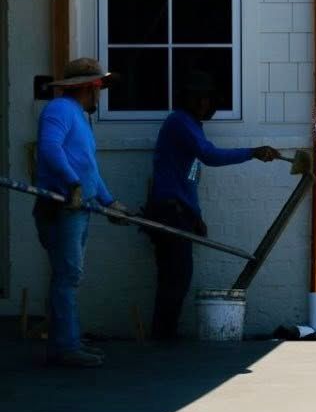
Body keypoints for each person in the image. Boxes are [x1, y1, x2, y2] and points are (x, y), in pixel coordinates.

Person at [146, 71, 280, 340]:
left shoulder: (192, 126)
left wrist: (196, 215)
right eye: (201, 98)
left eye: (208, 99)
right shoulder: (180, 123)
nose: (206, 104)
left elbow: (191, 176)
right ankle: (162, 338)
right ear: (190, 99)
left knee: (177, 275)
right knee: (176, 276)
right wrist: (252, 153)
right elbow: (209, 156)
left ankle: (163, 336)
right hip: (169, 211)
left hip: (178, 211)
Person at [34, 57, 128, 369]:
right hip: (62, 206)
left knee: (67, 276)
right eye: (99, 87)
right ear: (90, 88)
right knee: (67, 276)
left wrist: (108, 201)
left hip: (78, 206)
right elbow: (49, 149)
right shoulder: (59, 110)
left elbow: (89, 169)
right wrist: (72, 184)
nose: (100, 94)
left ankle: (65, 340)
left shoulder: (77, 117)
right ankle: (66, 346)